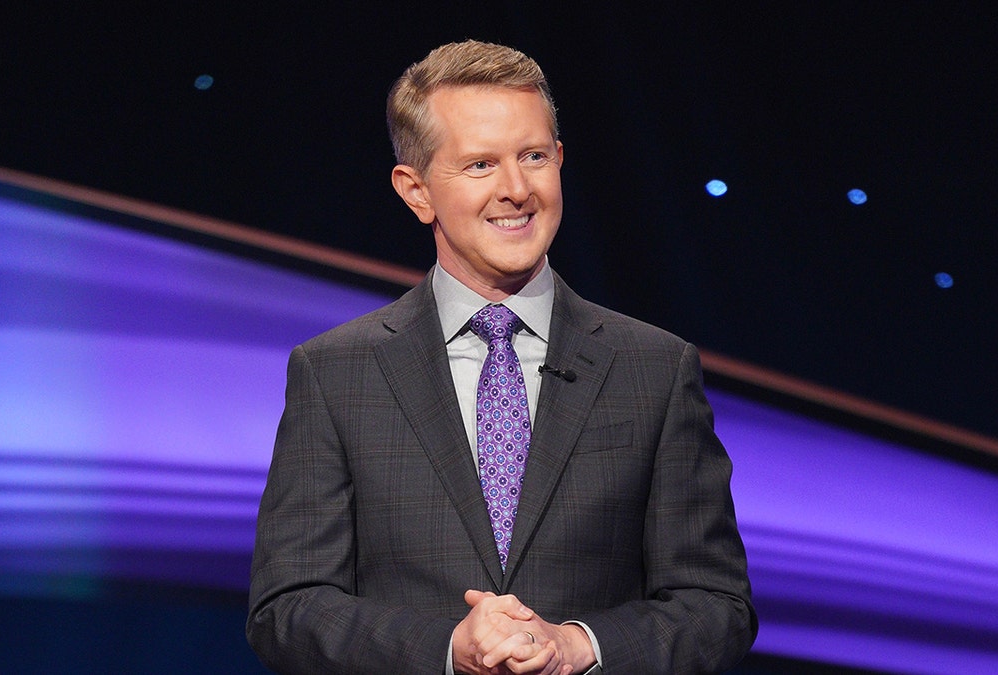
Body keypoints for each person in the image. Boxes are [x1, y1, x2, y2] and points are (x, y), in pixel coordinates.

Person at [247, 40, 756, 674]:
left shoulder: (654, 368)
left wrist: (579, 645)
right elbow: (288, 607)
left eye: (534, 157)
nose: (516, 189)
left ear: (561, 162)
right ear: (416, 191)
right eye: (481, 165)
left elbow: (715, 604)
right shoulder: (336, 373)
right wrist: (447, 648)